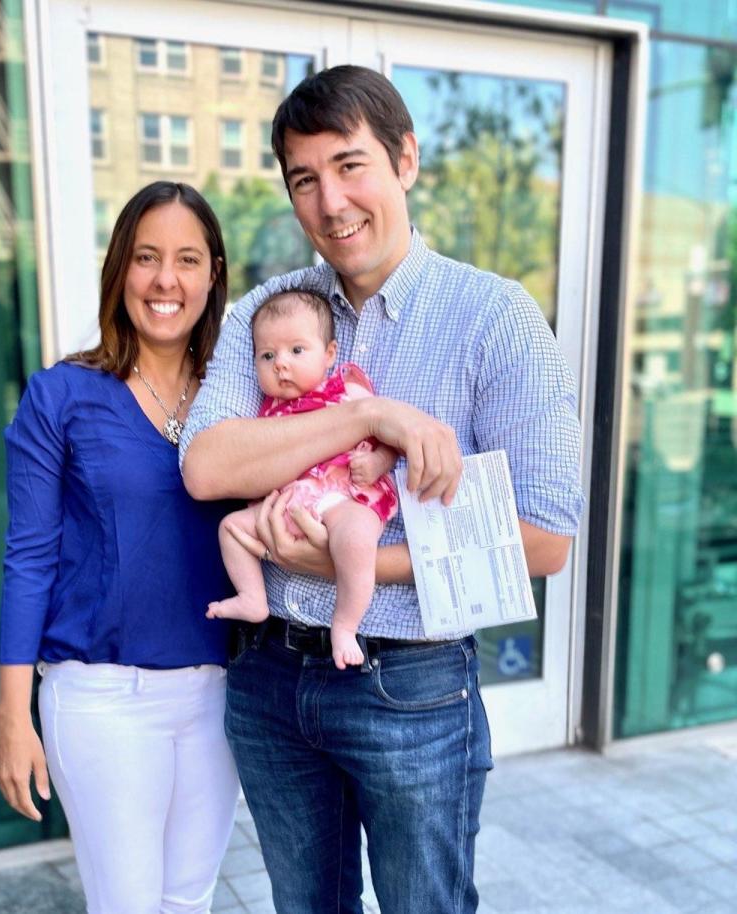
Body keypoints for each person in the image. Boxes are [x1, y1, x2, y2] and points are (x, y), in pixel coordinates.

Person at [180, 66, 584, 913]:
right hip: (268, 685)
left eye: (350, 164)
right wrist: (380, 418)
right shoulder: (269, 313)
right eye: (304, 179)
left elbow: (546, 536)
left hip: (413, 689)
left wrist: (354, 567)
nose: (330, 202)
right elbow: (208, 465)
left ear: (406, 159)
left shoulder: (494, 316)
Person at [0, 181, 240, 914]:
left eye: (188, 259)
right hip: (103, 701)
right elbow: (28, 560)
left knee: (188, 904)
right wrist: (13, 719)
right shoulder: (61, 395)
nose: (166, 280)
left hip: (220, 700)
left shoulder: (238, 396)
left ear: (213, 275)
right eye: (146, 258)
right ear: (119, 272)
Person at [206, 288, 398, 669]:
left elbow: (391, 443)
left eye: (296, 351)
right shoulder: (265, 411)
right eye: (268, 355)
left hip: (344, 494)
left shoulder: (348, 389)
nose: (281, 364)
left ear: (329, 354)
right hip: (291, 504)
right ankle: (252, 597)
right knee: (230, 529)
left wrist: (377, 463)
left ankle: (345, 624)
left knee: (357, 540)